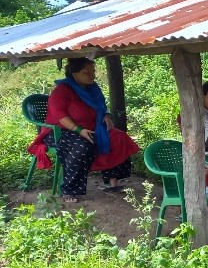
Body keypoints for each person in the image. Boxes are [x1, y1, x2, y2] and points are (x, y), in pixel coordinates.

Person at [30, 57, 140, 204]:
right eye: (87, 72)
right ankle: (69, 189)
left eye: (93, 72)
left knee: (118, 137)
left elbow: (100, 108)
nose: (92, 75)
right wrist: (79, 130)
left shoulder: (93, 89)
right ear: (75, 74)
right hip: (61, 131)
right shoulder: (62, 91)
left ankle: (113, 183)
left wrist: (106, 115)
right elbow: (60, 115)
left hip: (92, 128)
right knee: (81, 146)